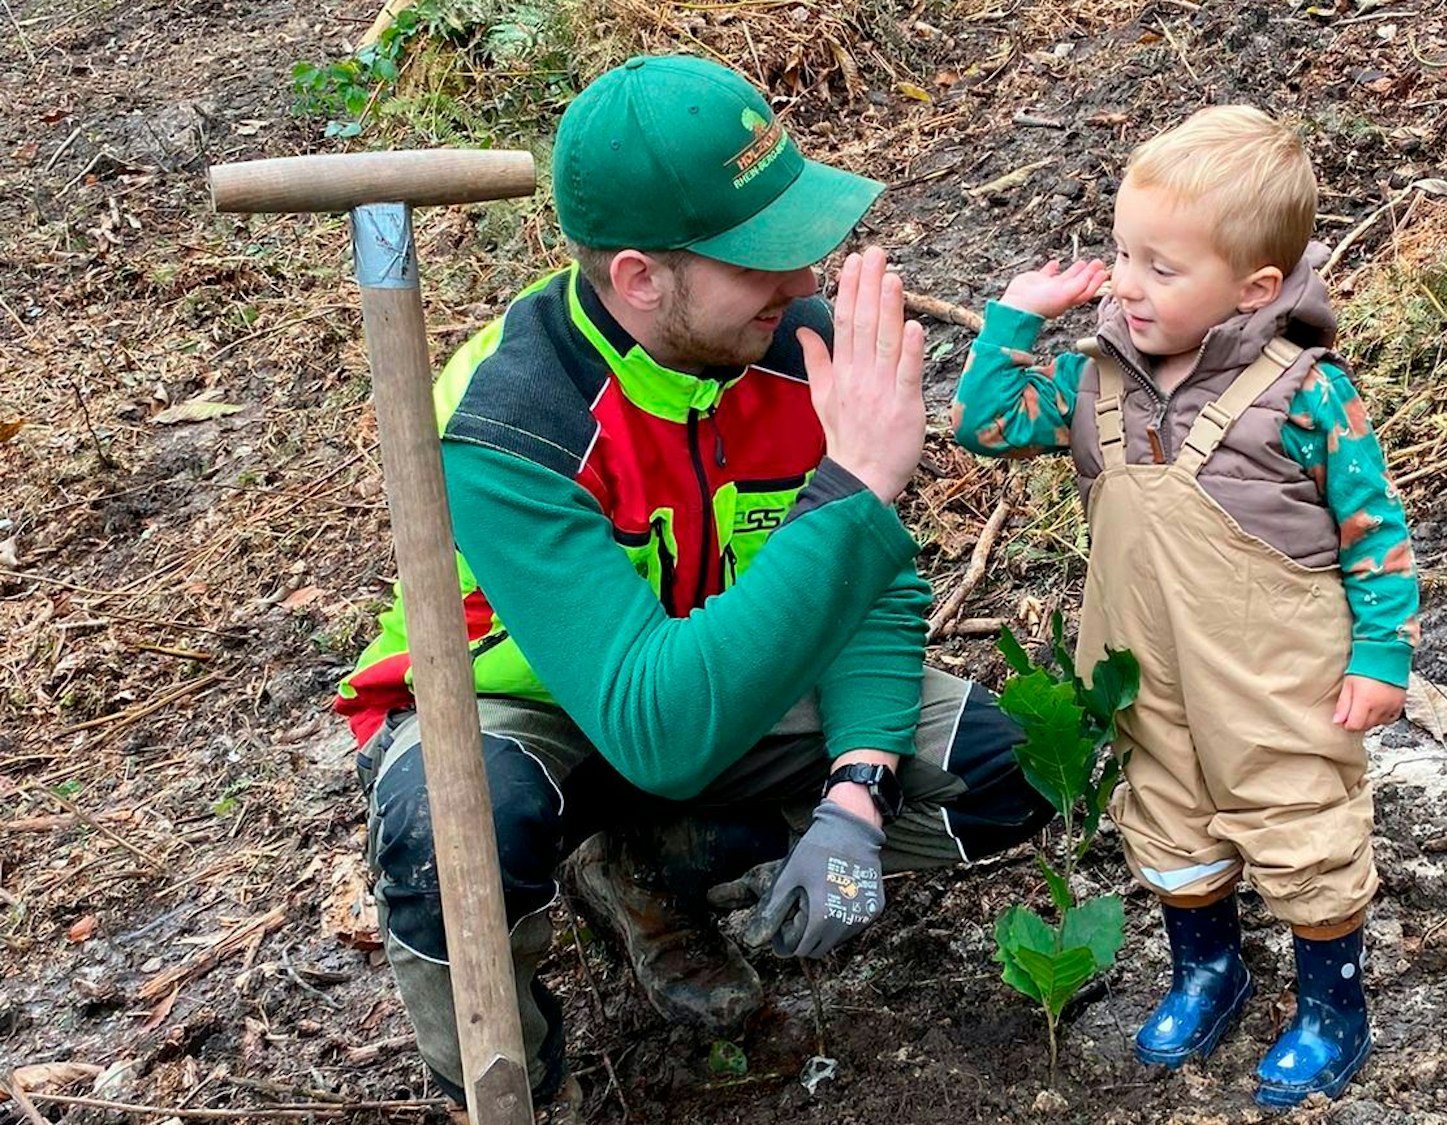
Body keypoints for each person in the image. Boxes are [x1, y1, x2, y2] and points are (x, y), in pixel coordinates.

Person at [334, 55, 1050, 1119]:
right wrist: (854, 484)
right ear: (639, 278)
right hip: (538, 712)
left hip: (731, 675)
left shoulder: (791, 350)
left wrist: (857, 785)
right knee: (450, 835)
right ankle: (525, 1088)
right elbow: (655, 727)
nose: (803, 279)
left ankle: (655, 874)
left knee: (1015, 767)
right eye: (761, 258)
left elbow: (867, 594)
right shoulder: (511, 423)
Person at [951, 106, 1420, 1107]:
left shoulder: (1302, 391)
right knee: (1165, 820)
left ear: (1253, 288)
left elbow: (1372, 528)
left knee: (1299, 826)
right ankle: (1208, 969)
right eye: (1123, 255)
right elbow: (986, 422)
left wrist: (1382, 658)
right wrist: (1014, 320)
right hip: (1142, 671)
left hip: (1274, 680)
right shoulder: (1094, 384)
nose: (1126, 284)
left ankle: (1331, 1007)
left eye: (1162, 269)